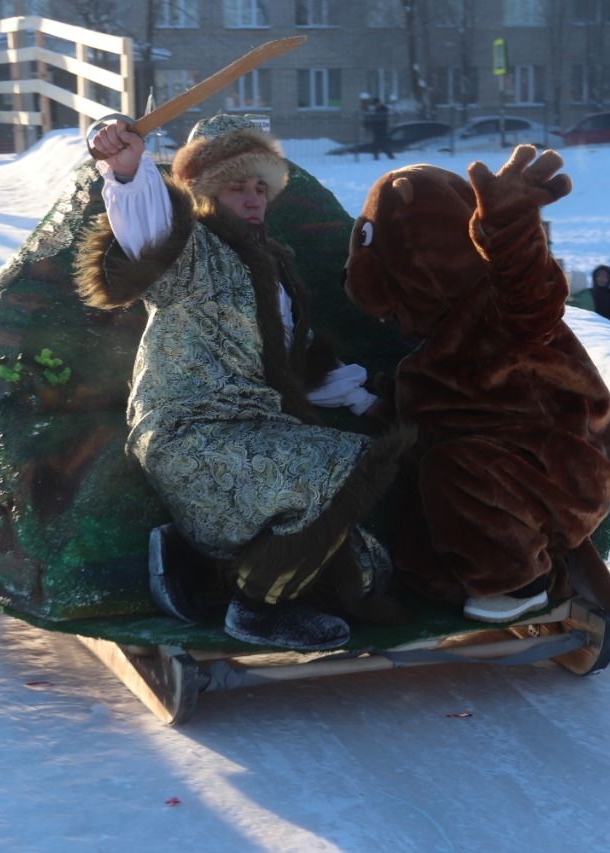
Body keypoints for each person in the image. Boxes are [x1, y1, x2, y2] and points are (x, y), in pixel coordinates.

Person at [76, 114, 409, 651]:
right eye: (237, 186)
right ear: (206, 191)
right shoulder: (192, 252)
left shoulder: (273, 269)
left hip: (256, 428)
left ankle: (199, 570)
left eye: (261, 187)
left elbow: (294, 367)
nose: (253, 199)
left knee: (364, 572)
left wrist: (367, 402)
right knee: (344, 466)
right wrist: (124, 166)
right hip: (189, 431)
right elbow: (146, 222)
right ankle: (257, 610)